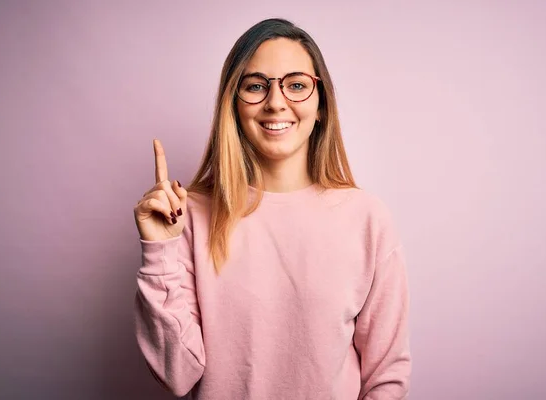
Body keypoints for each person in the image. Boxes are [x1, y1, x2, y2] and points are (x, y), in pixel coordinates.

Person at [133, 18, 411, 399]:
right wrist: (159, 253)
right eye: (256, 86)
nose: (276, 102)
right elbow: (177, 374)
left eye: (296, 85)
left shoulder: (367, 219)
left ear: (322, 106)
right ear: (234, 104)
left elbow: (386, 375)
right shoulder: (187, 216)